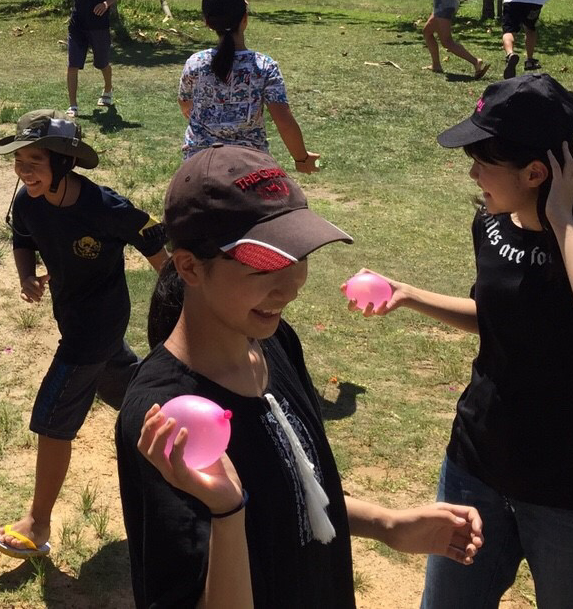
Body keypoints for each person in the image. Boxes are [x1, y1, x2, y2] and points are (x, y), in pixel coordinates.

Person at [118, 145, 484, 608]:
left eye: (298, 256)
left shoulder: (274, 344)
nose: (291, 286)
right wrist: (227, 513)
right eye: (265, 266)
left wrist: (386, 524)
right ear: (190, 266)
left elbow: (292, 493)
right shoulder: (167, 418)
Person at [352, 74, 573, 608]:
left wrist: (559, 218)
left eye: (483, 162)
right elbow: (502, 319)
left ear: (536, 172)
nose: (472, 173)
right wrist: (410, 294)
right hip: (477, 465)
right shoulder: (491, 224)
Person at [0, 110, 168, 560]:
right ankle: (188, 432)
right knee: (134, 396)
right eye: (19, 160)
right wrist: (26, 276)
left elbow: (152, 242)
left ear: (63, 164)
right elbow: (23, 238)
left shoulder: (104, 208)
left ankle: (37, 523)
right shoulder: (28, 202)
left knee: (53, 417)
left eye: (34, 161)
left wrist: (180, 299)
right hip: (72, 315)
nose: (23, 170)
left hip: (99, 321)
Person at [179, 0, 319, 172]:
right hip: (250, 164)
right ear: (245, 18)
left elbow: (185, 104)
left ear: (207, 22)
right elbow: (283, 121)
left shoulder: (195, 63)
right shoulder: (264, 67)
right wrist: (302, 159)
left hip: (198, 163)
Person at [65, 0, 123, 117]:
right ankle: (73, 106)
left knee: (102, 63)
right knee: (73, 64)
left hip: (98, 25)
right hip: (77, 24)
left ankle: (108, 89)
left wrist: (106, 3)